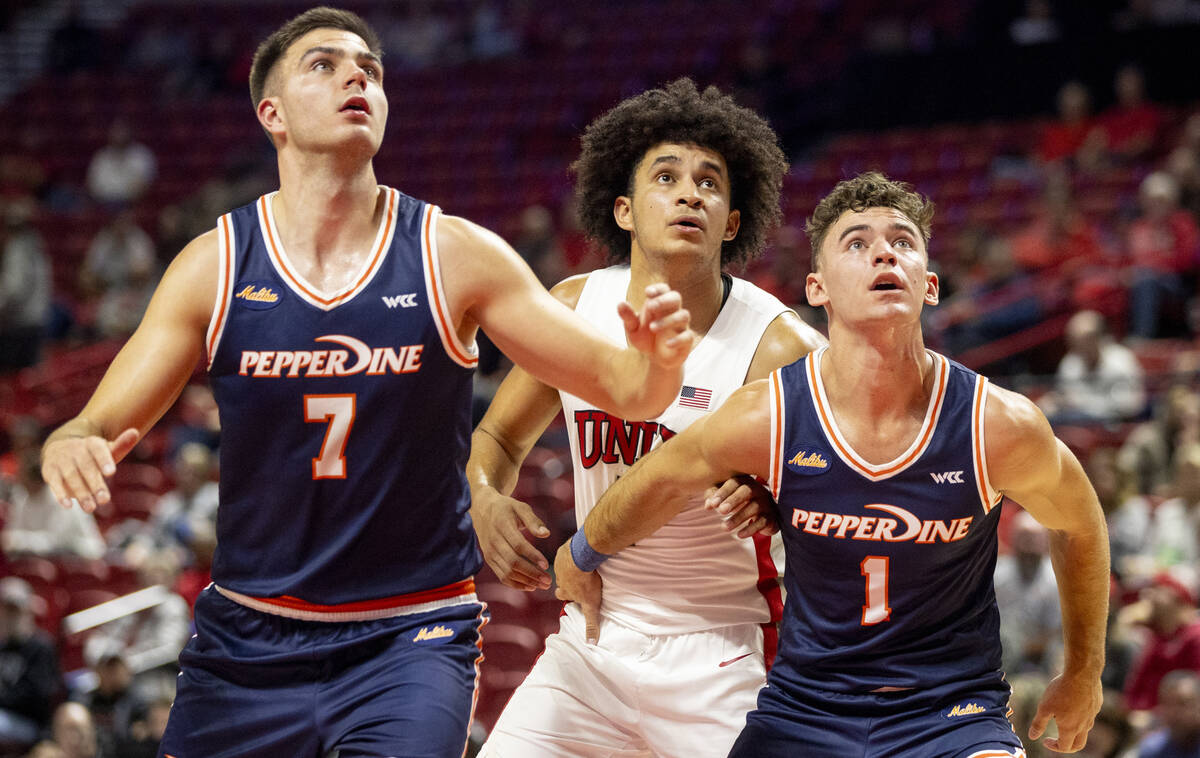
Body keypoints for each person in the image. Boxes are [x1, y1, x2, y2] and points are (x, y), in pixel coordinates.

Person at [39, 8, 694, 757]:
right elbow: (91, 425)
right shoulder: (214, 266)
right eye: (324, 64)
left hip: (409, 637)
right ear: (271, 114)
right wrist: (69, 442)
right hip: (246, 642)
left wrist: (657, 363)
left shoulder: (454, 254)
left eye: (371, 70)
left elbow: (629, 388)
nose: (358, 76)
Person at [555, 172, 1111, 756]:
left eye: (902, 241)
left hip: (951, 711)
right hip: (805, 709)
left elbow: (1080, 523)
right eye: (857, 243)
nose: (883, 253)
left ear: (931, 286)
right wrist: (581, 552)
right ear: (817, 289)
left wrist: (1082, 673)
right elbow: (661, 476)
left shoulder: (997, 424)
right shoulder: (771, 413)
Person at [469, 78, 825, 757]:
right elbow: (498, 435)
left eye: (710, 183)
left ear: (733, 221)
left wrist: (780, 496)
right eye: (667, 177)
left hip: (727, 649)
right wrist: (485, 498)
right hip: (595, 637)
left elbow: (847, 489)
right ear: (625, 211)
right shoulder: (576, 308)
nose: (690, 193)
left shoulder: (778, 345)